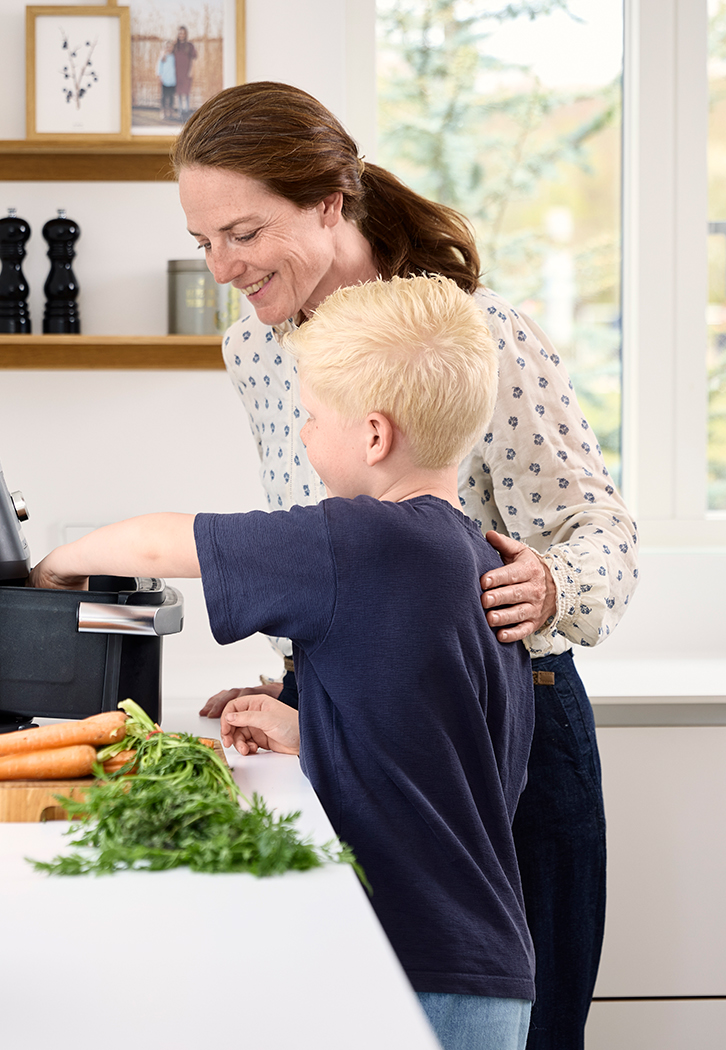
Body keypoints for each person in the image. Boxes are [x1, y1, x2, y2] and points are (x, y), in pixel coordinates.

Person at [173, 82, 638, 1050]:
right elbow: (333, 548)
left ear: (329, 205)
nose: (222, 268)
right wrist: (319, 681)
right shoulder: (255, 348)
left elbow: (604, 534)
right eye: (204, 240)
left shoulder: (479, 335)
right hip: (350, 747)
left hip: (502, 735)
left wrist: (554, 582)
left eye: (243, 233)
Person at [32, 274, 537, 1050]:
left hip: (419, 966)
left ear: (373, 435)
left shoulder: (361, 539)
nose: (302, 435)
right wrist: (312, 730)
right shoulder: (471, 556)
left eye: (309, 417)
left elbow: (158, 544)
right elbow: (439, 748)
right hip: (481, 960)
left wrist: (53, 568)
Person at [171, 25, 197, 118]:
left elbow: (193, 59)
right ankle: (180, 110)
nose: (181, 35)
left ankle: (186, 110)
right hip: (177, 73)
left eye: (183, 33)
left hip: (186, 72)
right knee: (178, 92)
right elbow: (168, 54)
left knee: (186, 92)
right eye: (180, 33)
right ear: (178, 34)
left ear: (186, 34)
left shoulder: (190, 46)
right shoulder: (175, 46)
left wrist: (191, 71)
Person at [156, 40, 176, 120]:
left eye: (170, 46)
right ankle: (163, 112)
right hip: (164, 80)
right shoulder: (163, 56)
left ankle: (171, 111)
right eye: (167, 46)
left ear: (172, 47)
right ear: (165, 47)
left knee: (171, 96)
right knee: (164, 97)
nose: (169, 48)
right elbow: (159, 68)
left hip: (173, 80)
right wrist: (159, 77)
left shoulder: (174, 57)